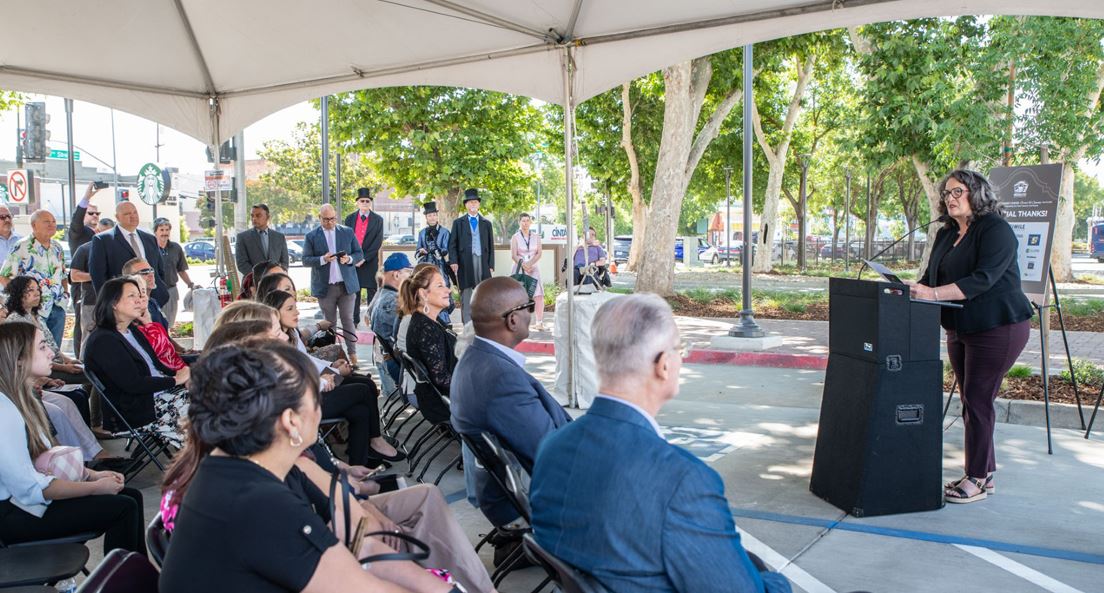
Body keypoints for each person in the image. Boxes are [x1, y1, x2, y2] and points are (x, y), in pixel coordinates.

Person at [530, 294, 792, 593]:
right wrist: (777, 582)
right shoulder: (684, 481)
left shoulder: (552, 446)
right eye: (680, 350)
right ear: (664, 365)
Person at [157, 343, 418, 593]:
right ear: (291, 421)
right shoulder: (259, 500)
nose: (320, 407)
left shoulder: (228, 469)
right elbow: (359, 583)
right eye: (315, 398)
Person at [907, 169, 1034, 504]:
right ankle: (984, 474)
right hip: (960, 326)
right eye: (946, 193)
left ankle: (976, 478)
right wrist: (909, 288)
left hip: (998, 325)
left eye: (957, 191)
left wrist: (932, 295)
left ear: (976, 193)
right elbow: (931, 277)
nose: (950, 198)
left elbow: (983, 279)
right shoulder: (946, 233)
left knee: (977, 400)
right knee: (971, 400)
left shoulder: (995, 229)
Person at [0, 322, 146, 555]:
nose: (51, 353)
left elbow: (43, 459)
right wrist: (93, 487)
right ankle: (124, 575)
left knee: (130, 496)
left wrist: (92, 475)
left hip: (26, 503)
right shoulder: (4, 410)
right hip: (12, 514)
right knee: (123, 506)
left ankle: (136, 573)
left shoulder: (25, 399)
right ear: (18, 359)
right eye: (42, 347)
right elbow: (31, 488)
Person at [451, 276, 569, 528]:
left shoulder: (474, 357)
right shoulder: (500, 378)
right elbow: (552, 454)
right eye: (528, 307)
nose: (531, 313)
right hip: (530, 498)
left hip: (509, 488)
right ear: (512, 319)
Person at [263, 289, 403, 466]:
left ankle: (359, 463)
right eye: (290, 308)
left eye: (296, 306)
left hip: (311, 390)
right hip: (302, 405)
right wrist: (327, 378)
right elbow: (294, 386)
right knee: (362, 390)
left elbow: (306, 361)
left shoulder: (289, 334)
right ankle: (375, 442)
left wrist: (332, 367)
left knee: (360, 409)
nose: (297, 312)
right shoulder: (272, 350)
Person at [83, 278, 190, 446]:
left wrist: (186, 376)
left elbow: (160, 364)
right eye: (131, 296)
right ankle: (206, 455)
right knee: (206, 405)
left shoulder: (132, 331)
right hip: (137, 410)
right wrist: (176, 380)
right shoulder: (103, 340)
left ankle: (214, 453)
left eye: (139, 295)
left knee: (214, 391)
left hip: (159, 394)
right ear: (114, 303)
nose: (139, 300)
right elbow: (133, 384)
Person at [3, 276, 88, 400]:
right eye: (30, 290)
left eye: (38, 289)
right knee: (89, 381)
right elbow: (29, 359)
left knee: (86, 386)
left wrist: (68, 360)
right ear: (18, 293)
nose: (37, 293)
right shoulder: (16, 321)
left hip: (55, 364)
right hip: (42, 370)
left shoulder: (37, 316)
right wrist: (65, 368)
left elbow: (52, 346)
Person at [304, 204, 364, 363]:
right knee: (329, 323)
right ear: (319, 218)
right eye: (325, 219)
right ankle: (333, 356)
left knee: (348, 320)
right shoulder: (311, 236)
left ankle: (353, 354)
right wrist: (322, 259)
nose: (329, 222)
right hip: (326, 288)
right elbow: (305, 260)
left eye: (332, 219)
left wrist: (349, 259)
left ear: (336, 218)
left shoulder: (347, 232)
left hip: (346, 285)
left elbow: (359, 253)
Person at [0, 210, 69, 346]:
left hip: (57, 306)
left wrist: (65, 295)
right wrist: (21, 300)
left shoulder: (57, 247)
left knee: (55, 351)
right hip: (34, 309)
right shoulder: (21, 246)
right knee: (35, 349)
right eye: (46, 222)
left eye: (54, 221)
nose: (52, 225)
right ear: (34, 225)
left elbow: (62, 275)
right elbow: (4, 276)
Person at [399, 266, 455, 425]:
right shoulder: (426, 328)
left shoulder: (427, 321)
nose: (448, 290)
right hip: (442, 403)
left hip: (441, 397)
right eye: (440, 285)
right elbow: (441, 379)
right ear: (423, 294)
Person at [89, 200, 169, 306]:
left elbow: (159, 269)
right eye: (127, 214)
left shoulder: (150, 238)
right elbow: (98, 276)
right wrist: (108, 303)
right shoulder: (103, 240)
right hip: (122, 303)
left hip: (153, 300)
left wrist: (159, 292)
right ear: (117, 217)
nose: (133, 216)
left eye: (135, 212)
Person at [69, 214, 117, 358]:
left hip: (114, 301)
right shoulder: (84, 249)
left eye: (109, 234)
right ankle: (85, 367)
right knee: (88, 337)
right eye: (102, 233)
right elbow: (74, 276)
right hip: (91, 301)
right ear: (96, 231)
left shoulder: (117, 249)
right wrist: (97, 275)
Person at [448, 188, 494, 324]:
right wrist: (453, 261)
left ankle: (483, 323)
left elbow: (491, 245)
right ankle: (468, 325)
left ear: (479, 204)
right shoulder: (458, 223)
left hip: (482, 261)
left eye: (475, 202)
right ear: (466, 205)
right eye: (470, 202)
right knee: (466, 292)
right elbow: (452, 244)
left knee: (483, 291)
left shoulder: (487, 223)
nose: (473, 204)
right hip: (464, 261)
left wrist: (491, 264)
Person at [370, 253, 413, 399]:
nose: (411, 277)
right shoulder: (392, 302)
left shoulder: (382, 295)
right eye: (408, 272)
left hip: (397, 362)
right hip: (403, 367)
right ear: (396, 274)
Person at [68, 182, 104, 352]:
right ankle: (79, 360)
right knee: (82, 326)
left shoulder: (97, 234)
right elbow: (76, 220)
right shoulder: (78, 233)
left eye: (97, 213)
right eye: (91, 213)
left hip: (99, 290)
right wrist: (86, 198)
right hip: (81, 287)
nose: (95, 216)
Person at [345, 188, 384, 330]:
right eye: (362, 201)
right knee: (354, 292)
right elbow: (346, 239)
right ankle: (354, 320)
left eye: (367, 201)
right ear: (357, 202)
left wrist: (364, 258)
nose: (365, 203)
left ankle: (372, 319)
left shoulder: (378, 220)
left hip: (370, 261)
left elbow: (377, 242)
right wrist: (353, 258)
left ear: (370, 203)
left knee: (372, 291)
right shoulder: (349, 219)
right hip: (353, 261)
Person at [416, 201, 453, 324]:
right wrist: (421, 251)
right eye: (429, 215)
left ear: (437, 216)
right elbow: (417, 251)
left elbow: (446, 251)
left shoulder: (445, 232)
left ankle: (445, 322)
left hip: (440, 267)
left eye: (434, 215)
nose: (432, 217)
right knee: (426, 291)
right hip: (426, 267)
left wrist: (435, 249)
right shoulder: (422, 233)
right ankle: (428, 320)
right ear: (426, 217)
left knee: (441, 291)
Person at [153, 217, 195, 326]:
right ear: (155, 231)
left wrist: (191, 284)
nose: (165, 233)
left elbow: (181, 270)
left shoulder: (176, 248)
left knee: (169, 323)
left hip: (172, 291)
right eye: (161, 230)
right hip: (155, 291)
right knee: (156, 323)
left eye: (167, 230)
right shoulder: (150, 248)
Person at [509, 212, 544, 327]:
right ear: (519, 222)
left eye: (527, 220)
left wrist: (530, 264)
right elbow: (514, 255)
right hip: (519, 267)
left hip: (533, 267)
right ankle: (517, 321)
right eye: (523, 221)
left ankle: (539, 322)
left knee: (538, 294)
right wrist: (524, 265)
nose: (525, 223)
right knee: (519, 295)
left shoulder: (536, 236)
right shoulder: (515, 237)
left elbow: (539, 253)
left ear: (530, 222)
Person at [235, 203, 289, 274]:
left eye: (258, 215)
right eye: (252, 216)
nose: (254, 219)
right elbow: (242, 264)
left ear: (268, 217)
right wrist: (259, 277)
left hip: (275, 279)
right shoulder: (243, 237)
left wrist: (276, 276)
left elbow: (284, 262)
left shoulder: (279, 237)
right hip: (253, 280)